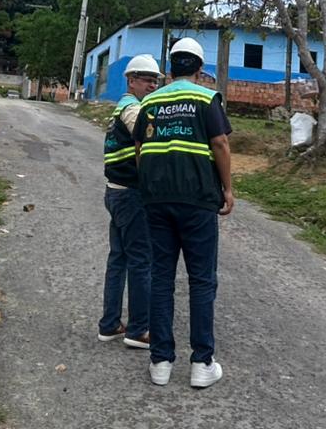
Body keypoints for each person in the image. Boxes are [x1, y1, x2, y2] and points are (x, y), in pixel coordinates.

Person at [134, 37, 233, 389]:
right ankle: (201, 363)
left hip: (156, 200)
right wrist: (228, 188)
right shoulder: (207, 98)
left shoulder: (151, 100)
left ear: (170, 65)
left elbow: (140, 148)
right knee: (202, 280)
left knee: (161, 277)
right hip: (198, 200)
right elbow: (220, 143)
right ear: (200, 68)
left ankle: (160, 362)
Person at [97, 54, 163, 349]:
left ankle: (110, 324)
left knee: (119, 258)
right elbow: (149, 140)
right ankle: (138, 330)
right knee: (141, 261)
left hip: (114, 191)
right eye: (147, 79)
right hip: (131, 194)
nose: (152, 84)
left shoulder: (119, 108)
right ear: (130, 80)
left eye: (155, 80)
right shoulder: (133, 109)